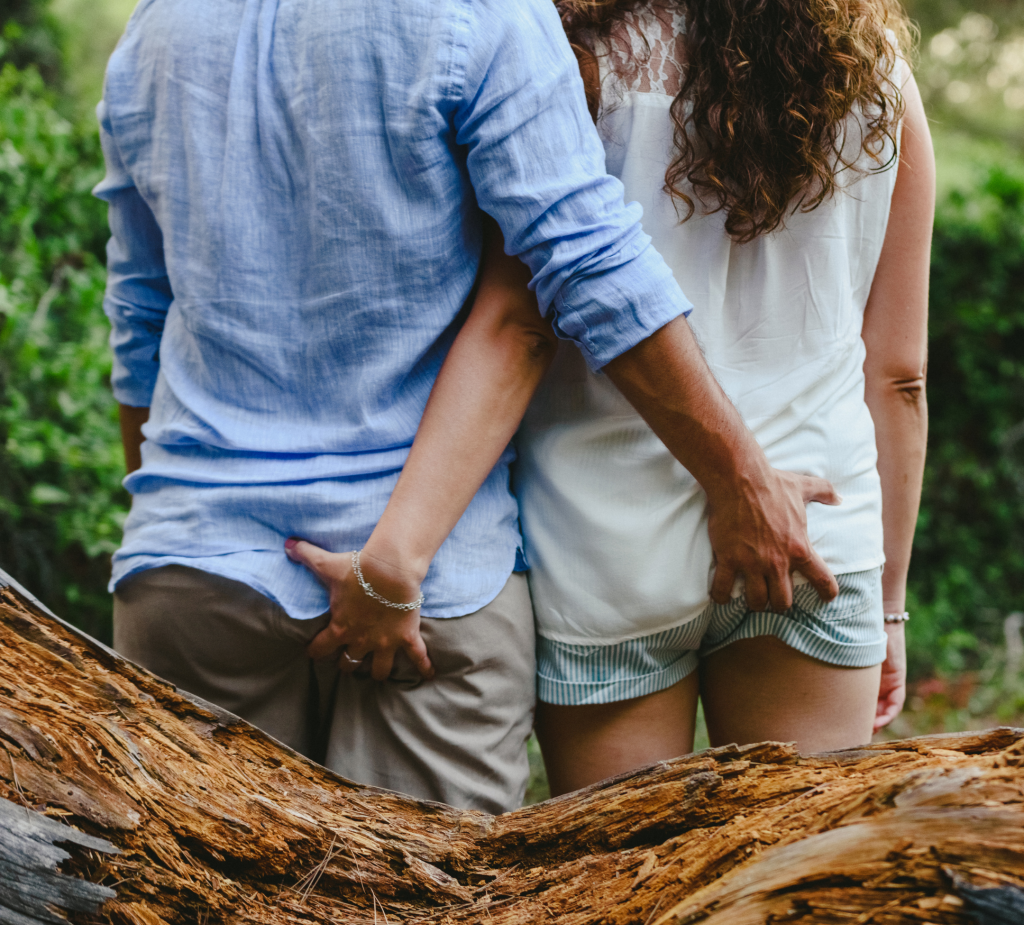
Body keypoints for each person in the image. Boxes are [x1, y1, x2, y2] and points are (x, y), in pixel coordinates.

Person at [97, 0, 836, 814]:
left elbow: (141, 313)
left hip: (193, 572)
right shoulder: (483, 15)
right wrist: (740, 478)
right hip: (427, 589)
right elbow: (576, 272)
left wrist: (187, 520)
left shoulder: (154, 32)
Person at [515, 0, 935, 793]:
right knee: (795, 891)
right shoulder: (878, 79)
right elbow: (899, 376)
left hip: (604, 543)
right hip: (815, 535)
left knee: (620, 895)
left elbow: (520, 322)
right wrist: (887, 605)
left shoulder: (581, 64)